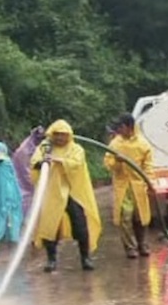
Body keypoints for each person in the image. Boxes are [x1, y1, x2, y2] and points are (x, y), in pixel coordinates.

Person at [29, 120, 102, 272]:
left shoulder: (76, 149)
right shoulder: (45, 147)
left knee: (80, 224)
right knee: (50, 225)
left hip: (72, 192)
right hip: (52, 193)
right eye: (57, 135)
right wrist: (43, 162)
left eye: (63, 135)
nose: (60, 138)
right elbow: (34, 162)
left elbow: (76, 164)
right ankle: (51, 259)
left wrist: (58, 161)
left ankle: (85, 258)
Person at [104, 113, 155, 258]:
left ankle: (142, 244)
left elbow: (148, 166)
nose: (119, 130)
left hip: (139, 186)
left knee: (141, 218)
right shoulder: (115, 144)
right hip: (123, 187)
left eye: (121, 126)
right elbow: (108, 164)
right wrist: (118, 162)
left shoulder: (143, 144)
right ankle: (129, 247)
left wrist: (150, 183)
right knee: (125, 218)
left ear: (129, 127)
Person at [12, 126, 46, 221]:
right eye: (39, 138)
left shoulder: (40, 149)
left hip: (32, 184)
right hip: (22, 184)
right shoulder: (23, 151)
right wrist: (35, 183)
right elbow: (24, 171)